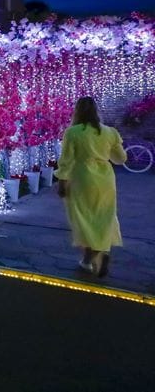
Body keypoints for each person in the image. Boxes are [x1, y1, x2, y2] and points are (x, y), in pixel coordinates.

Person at [55, 96, 127, 277]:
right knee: (104, 216)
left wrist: (62, 182)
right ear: (97, 111)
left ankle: (89, 257)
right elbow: (121, 159)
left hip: (81, 177)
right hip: (105, 179)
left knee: (83, 218)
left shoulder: (73, 132)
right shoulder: (110, 132)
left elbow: (66, 161)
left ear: (77, 111)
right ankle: (101, 252)